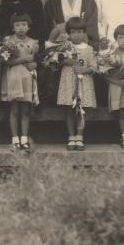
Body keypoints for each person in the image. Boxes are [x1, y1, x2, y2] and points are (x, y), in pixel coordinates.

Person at [55, 17, 96, 152]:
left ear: (84, 33)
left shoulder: (89, 49)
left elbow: (93, 67)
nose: (76, 35)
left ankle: (79, 136)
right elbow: (57, 62)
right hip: (68, 81)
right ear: (68, 33)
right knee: (69, 109)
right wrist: (65, 60)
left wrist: (84, 70)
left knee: (81, 110)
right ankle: (71, 136)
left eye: (79, 32)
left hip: (83, 82)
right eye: (73, 32)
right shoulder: (65, 47)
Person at [1, 13, 40, 153]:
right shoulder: (8, 42)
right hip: (14, 77)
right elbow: (6, 62)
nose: (21, 28)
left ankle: (24, 138)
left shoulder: (33, 43)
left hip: (27, 77)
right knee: (14, 109)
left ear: (29, 27)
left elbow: (35, 60)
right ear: (13, 27)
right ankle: (14, 139)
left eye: (24, 25)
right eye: (17, 25)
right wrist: (24, 59)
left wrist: (35, 63)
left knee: (26, 109)